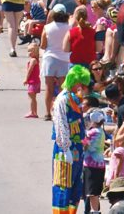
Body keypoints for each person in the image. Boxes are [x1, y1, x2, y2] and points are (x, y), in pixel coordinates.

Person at [51, 65, 91, 214]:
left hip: (78, 149)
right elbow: (60, 123)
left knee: (75, 186)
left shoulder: (74, 99)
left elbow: (79, 122)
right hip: (65, 150)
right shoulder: (62, 100)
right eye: (80, 83)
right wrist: (65, 147)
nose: (81, 87)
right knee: (63, 185)